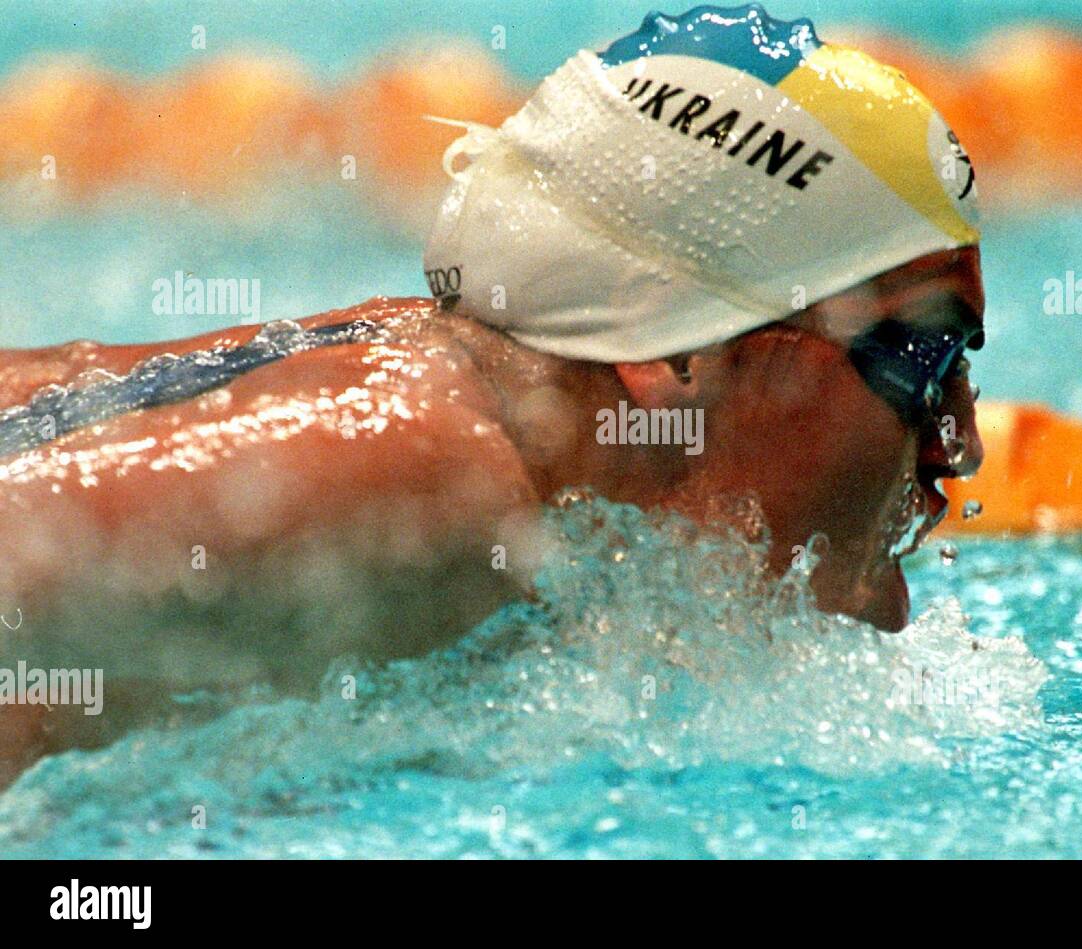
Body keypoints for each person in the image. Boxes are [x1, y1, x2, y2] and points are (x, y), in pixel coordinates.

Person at [0, 5, 984, 771]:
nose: (959, 441)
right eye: (924, 357)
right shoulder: (430, 475)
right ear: (679, 356)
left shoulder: (435, 388)